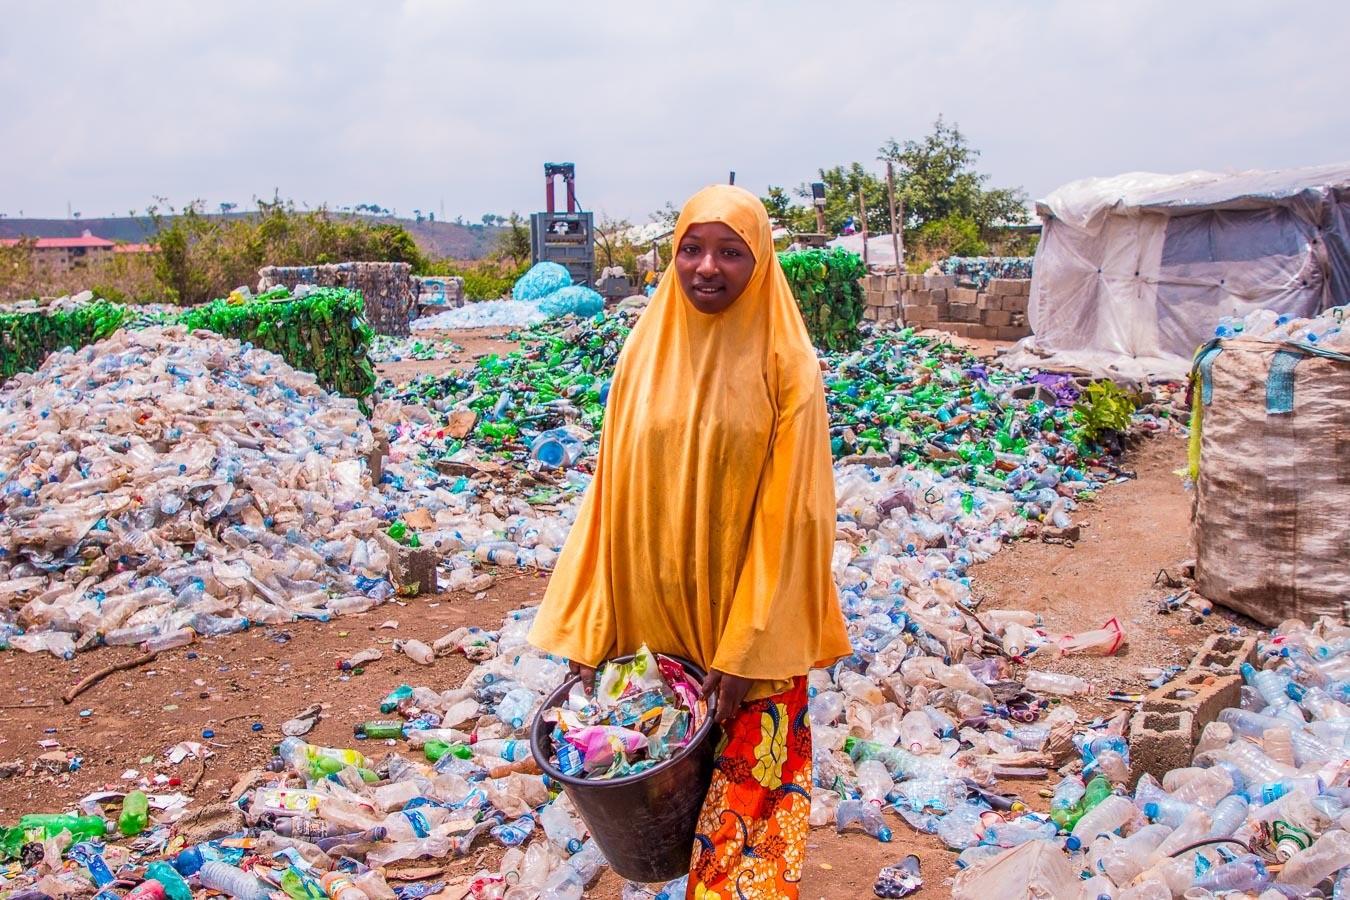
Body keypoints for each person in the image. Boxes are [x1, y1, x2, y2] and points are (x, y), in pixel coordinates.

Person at [528, 184, 852, 899]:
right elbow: (609, 498)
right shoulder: (643, 356)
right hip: (654, 635)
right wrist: (593, 625)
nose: (708, 267)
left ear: (760, 262)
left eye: (731, 252)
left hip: (742, 638)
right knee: (659, 819)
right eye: (692, 249)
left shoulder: (786, 364)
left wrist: (745, 648)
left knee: (745, 838)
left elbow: (794, 518)